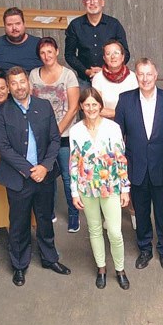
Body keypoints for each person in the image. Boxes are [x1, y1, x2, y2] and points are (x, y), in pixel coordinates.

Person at [0, 66, 71, 286]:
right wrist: (29, 170)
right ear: (9, 87)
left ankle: (49, 258)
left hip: (44, 175)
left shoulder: (43, 106)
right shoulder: (1, 113)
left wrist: (44, 167)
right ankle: (19, 265)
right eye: (14, 83)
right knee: (19, 223)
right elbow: (3, 147)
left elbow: (54, 139)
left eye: (22, 81)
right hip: (19, 178)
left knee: (45, 218)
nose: (19, 87)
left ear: (28, 83)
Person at [115, 59, 163, 272]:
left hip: (162, 168)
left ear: (156, 75)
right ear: (136, 76)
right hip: (136, 168)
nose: (145, 79)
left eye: (149, 74)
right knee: (141, 212)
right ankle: (144, 249)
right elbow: (118, 138)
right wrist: (121, 173)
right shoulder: (125, 100)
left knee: (162, 212)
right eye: (141, 74)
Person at [66, 90, 132, 289]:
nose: (91, 108)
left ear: (100, 106)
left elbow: (121, 159)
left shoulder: (113, 128)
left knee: (115, 232)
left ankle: (120, 269)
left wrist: (125, 188)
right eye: (87, 105)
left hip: (110, 186)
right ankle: (101, 268)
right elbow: (74, 162)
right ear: (81, 107)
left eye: (94, 104)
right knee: (94, 229)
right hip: (87, 188)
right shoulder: (76, 130)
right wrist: (74, 192)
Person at [31, 38, 81, 233]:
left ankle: (74, 215)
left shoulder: (68, 75)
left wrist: (56, 132)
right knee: (47, 176)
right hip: (41, 136)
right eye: (43, 53)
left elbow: (73, 108)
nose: (46, 56)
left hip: (64, 134)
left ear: (57, 52)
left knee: (68, 177)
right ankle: (48, 211)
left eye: (50, 52)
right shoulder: (34, 75)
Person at [65, 0, 128, 81]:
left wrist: (108, 70)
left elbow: (125, 53)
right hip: (84, 79)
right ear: (83, 2)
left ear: (102, 2)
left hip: (111, 78)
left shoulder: (114, 24)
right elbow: (69, 55)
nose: (92, 3)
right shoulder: (75, 25)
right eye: (88, 0)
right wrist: (86, 71)